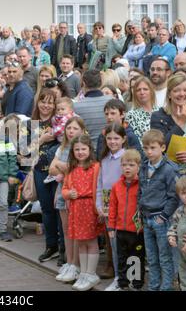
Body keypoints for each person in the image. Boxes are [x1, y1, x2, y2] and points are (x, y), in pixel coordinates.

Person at [138, 129, 180, 291]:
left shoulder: (170, 169)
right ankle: (154, 286)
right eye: (146, 148)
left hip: (161, 219)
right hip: (147, 218)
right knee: (152, 257)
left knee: (165, 257)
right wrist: (140, 212)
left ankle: (167, 286)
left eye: (153, 148)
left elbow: (174, 197)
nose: (149, 152)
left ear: (162, 148)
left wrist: (164, 216)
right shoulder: (143, 167)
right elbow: (141, 191)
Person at [62, 134, 103, 291]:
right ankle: (83, 273)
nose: (80, 152)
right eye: (77, 149)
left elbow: (100, 188)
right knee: (80, 241)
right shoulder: (71, 168)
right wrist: (68, 194)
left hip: (89, 208)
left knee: (91, 241)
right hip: (76, 209)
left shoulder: (95, 167)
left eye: (83, 149)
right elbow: (65, 188)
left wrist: (99, 208)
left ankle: (91, 273)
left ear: (89, 149)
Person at [30, 89, 63, 264]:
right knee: (47, 210)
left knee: (59, 209)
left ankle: (63, 248)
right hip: (39, 171)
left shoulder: (59, 122)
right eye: (43, 101)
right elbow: (24, 152)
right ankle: (51, 246)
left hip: (57, 173)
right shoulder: (31, 123)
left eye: (50, 102)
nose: (46, 105)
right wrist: (41, 140)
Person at [52, 117, 86, 283]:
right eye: (69, 128)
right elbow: (52, 168)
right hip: (62, 190)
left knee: (76, 230)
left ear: (82, 130)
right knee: (66, 229)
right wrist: (61, 167)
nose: (71, 131)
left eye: (75, 128)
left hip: (75, 193)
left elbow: (75, 170)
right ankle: (70, 261)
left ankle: (77, 265)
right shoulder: (62, 147)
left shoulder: (81, 149)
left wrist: (61, 167)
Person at [151, 74, 186, 175]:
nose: (182, 94)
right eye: (176, 90)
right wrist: (181, 123)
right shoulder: (158, 117)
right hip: (166, 173)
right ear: (169, 94)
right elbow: (158, 146)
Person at [108, 149, 145, 291]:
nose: (127, 168)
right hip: (120, 230)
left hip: (136, 231)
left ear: (138, 166)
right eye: (124, 165)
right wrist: (111, 227)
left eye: (131, 165)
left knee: (136, 258)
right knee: (122, 258)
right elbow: (112, 207)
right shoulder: (116, 186)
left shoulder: (142, 185)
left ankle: (136, 284)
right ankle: (123, 284)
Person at [96, 123, 128, 290]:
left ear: (124, 139)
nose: (113, 141)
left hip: (124, 207)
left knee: (127, 246)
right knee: (114, 245)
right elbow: (100, 184)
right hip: (109, 209)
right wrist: (99, 205)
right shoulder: (104, 159)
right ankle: (118, 277)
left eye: (116, 138)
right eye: (109, 138)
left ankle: (129, 279)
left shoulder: (127, 158)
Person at [74, 70, 112, 148]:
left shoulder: (76, 106)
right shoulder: (113, 102)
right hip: (110, 148)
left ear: (84, 83)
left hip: (87, 150)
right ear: (101, 83)